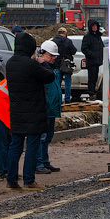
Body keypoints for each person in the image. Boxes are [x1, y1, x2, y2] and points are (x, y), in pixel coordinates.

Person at [3, 31, 53, 190]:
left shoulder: (10, 63)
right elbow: (50, 77)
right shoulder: (31, 64)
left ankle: (11, 181)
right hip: (34, 112)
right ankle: (29, 180)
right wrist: (42, 62)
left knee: (15, 146)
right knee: (32, 146)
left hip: (17, 111)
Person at [34, 39, 64, 176]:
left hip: (51, 109)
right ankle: (39, 163)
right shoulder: (42, 70)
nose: (53, 58)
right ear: (42, 54)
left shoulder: (52, 70)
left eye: (54, 56)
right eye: (51, 55)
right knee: (42, 137)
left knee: (47, 137)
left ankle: (44, 162)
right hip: (45, 108)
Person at [81, 20, 105, 100]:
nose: (95, 28)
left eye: (96, 26)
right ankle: (91, 93)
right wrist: (93, 55)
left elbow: (102, 47)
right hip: (91, 61)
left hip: (97, 61)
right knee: (91, 78)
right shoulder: (87, 37)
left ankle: (93, 92)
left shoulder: (98, 37)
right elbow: (84, 49)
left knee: (95, 78)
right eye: (93, 26)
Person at [54, 26, 77, 103]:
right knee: (67, 82)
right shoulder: (68, 41)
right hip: (67, 64)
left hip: (57, 64)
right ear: (65, 33)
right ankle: (67, 99)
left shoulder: (54, 41)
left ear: (58, 33)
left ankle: (58, 100)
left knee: (58, 83)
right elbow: (74, 51)